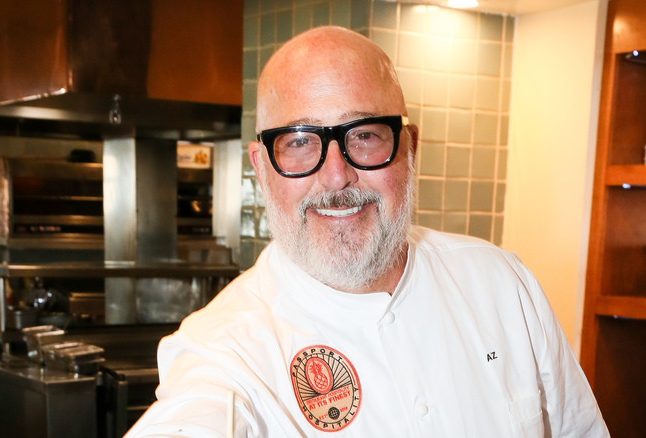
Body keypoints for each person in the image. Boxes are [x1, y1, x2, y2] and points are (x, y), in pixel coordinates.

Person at [126, 26, 609, 437]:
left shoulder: (503, 282)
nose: (336, 176)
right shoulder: (228, 350)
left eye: (364, 134)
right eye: (299, 141)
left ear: (409, 148)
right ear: (261, 165)